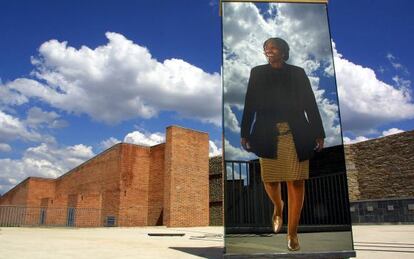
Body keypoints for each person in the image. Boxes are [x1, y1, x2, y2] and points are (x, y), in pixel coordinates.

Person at [240, 37, 325, 251]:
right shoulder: (257, 73)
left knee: (296, 182)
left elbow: (310, 102)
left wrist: (319, 132)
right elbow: (249, 102)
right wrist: (244, 132)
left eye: (272, 47)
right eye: (265, 48)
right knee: (270, 181)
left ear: (283, 51)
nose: (268, 50)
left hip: (296, 132)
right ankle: (278, 207)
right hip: (266, 132)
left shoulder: (297, 73)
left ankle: (292, 233)